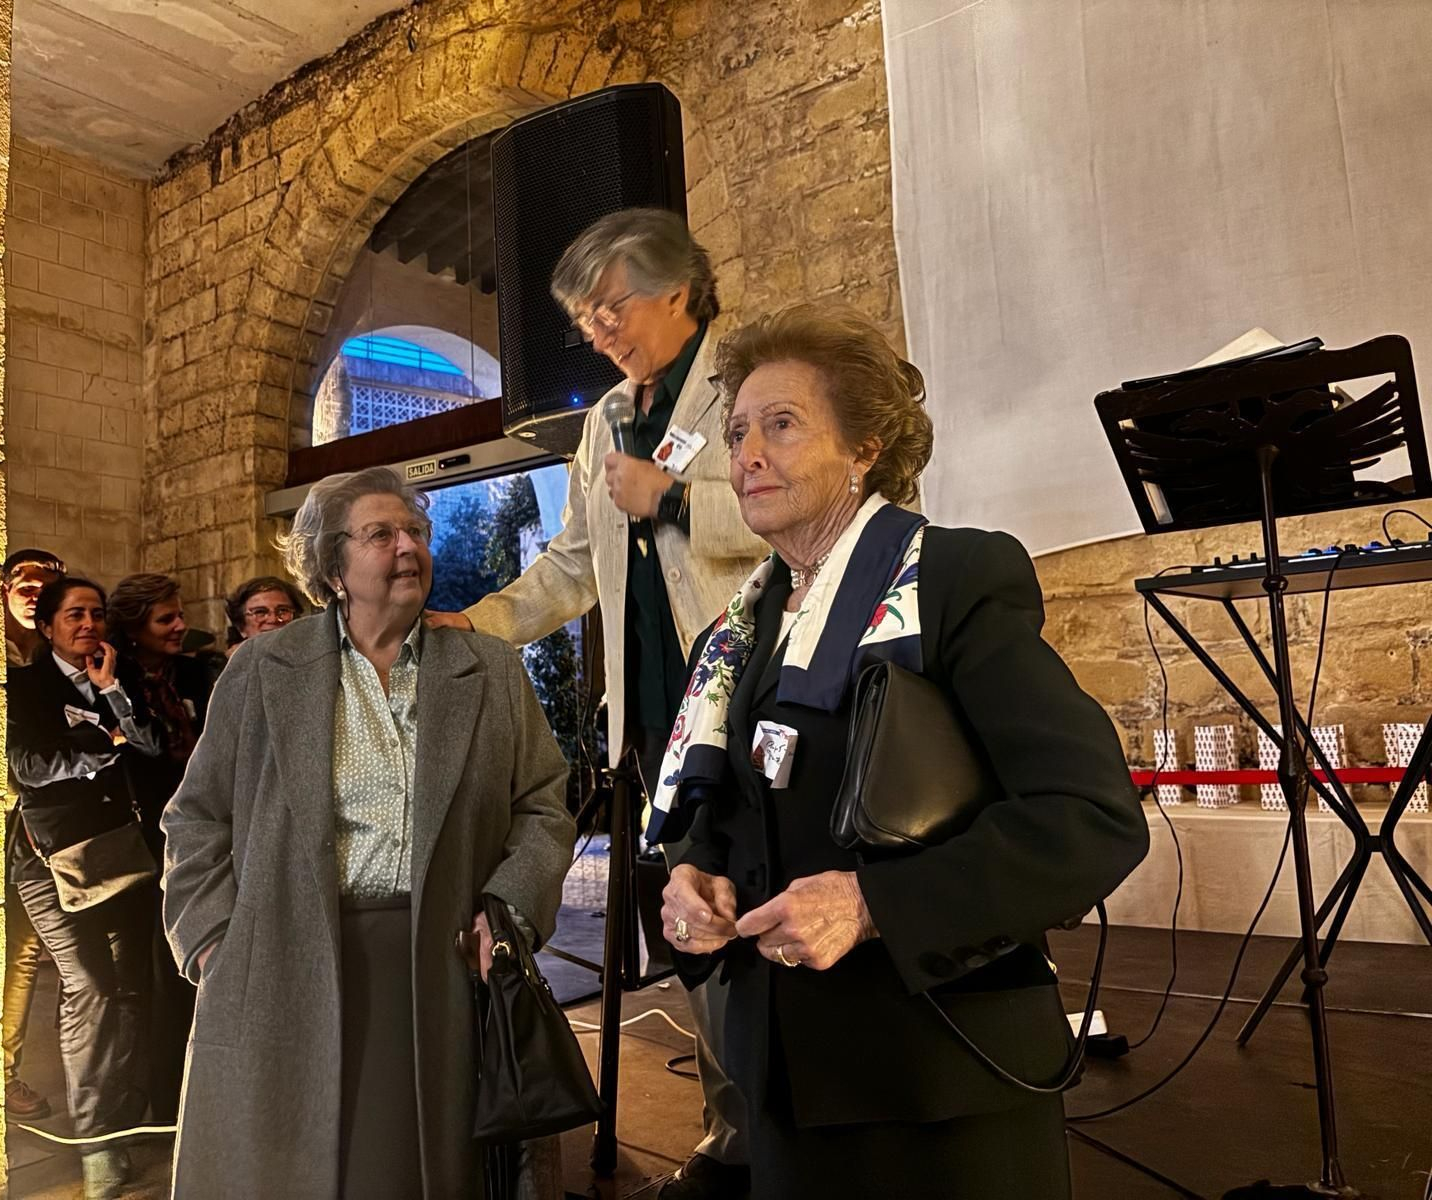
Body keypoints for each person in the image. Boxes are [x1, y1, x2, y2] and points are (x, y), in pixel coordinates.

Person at [653, 305, 1151, 1199]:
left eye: (781, 424)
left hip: (940, 1086)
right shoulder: (731, 638)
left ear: (865, 447)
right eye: (736, 433)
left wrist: (872, 905)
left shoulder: (956, 579)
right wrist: (694, 878)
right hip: (785, 1093)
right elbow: (728, 816)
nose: (747, 455)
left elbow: (1091, 821)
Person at [426, 208, 764, 1199]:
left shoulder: (751, 381)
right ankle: (732, 1136)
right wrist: (478, 625)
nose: (599, 328)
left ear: (680, 289)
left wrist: (669, 498)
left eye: (612, 304)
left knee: (768, 916)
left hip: (751, 699)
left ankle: (804, 1137)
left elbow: (807, 506)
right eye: (584, 316)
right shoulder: (606, 419)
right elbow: (573, 563)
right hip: (654, 727)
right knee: (690, 927)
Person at [161, 467, 576, 1198]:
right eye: (381, 534)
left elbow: (544, 803)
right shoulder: (262, 669)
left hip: (441, 964)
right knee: (297, 1167)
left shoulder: (488, 667)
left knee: (419, 1168)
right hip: (288, 959)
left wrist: (509, 909)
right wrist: (212, 941)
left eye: (415, 531)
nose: (407, 546)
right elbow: (197, 814)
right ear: (332, 566)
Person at [7, 576, 164, 1199]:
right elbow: (26, 767)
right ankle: (95, 1142)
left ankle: (118, 1119)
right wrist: (101, 750)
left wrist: (115, 697)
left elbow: (150, 744)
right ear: (46, 627)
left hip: (118, 855)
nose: (89, 625)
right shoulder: (24, 687)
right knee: (90, 986)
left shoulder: (114, 679)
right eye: (75, 614)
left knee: (129, 989)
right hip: (51, 861)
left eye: (97, 614)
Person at [107, 572, 213, 1122]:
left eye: (179, 614)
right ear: (133, 628)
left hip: (197, 835)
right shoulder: (110, 676)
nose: (180, 626)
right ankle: (155, 1101)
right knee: (146, 973)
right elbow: (140, 747)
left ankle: (190, 1095)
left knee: (188, 970)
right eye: (165, 619)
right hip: (140, 840)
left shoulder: (197, 671)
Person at [1, 548, 65, 1122]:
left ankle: (6, 1072)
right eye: (21, 578)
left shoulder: (55, 661)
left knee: (24, 948)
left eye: (44, 581)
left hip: (37, 823)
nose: (32, 587)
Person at [223, 575, 306, 649]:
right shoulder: (232, 665)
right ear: (241, 628)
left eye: (283, 610)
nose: (273, 619)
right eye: (260, 612)